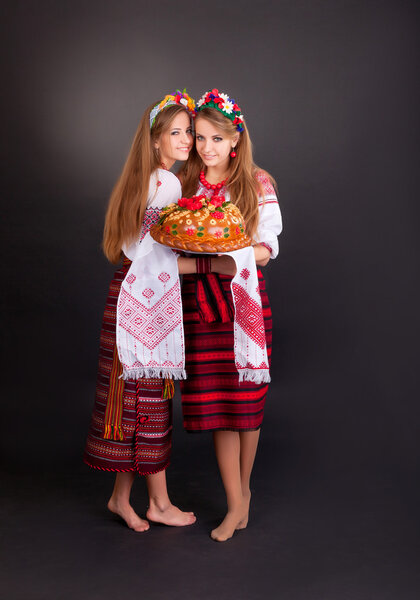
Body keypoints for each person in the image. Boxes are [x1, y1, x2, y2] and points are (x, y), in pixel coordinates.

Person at [84, 90, 197, 532]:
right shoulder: (166, 183)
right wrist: (220, 262)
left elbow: (136, 251)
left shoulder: (143, 177)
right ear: (155, 140)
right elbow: (158, 257)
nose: (187, 139)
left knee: (132, 401)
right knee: (147, 402)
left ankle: (120, 499)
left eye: (188, 131)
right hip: (143, 302)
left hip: (126, 295)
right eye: (176, 132)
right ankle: (160, 504)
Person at [177, 89, 283, 541]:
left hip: (244, 302)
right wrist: (209, 256)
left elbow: (266, 250)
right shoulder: (184, 184)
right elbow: (171, 238)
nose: (206, 148)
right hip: (201, 304)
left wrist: (230, 255)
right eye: (200, 138)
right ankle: (236, 500)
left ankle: (243, 494)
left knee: (246, 405)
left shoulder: (257, 183)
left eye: (216, 139)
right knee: (220, 405)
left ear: (234, 139)